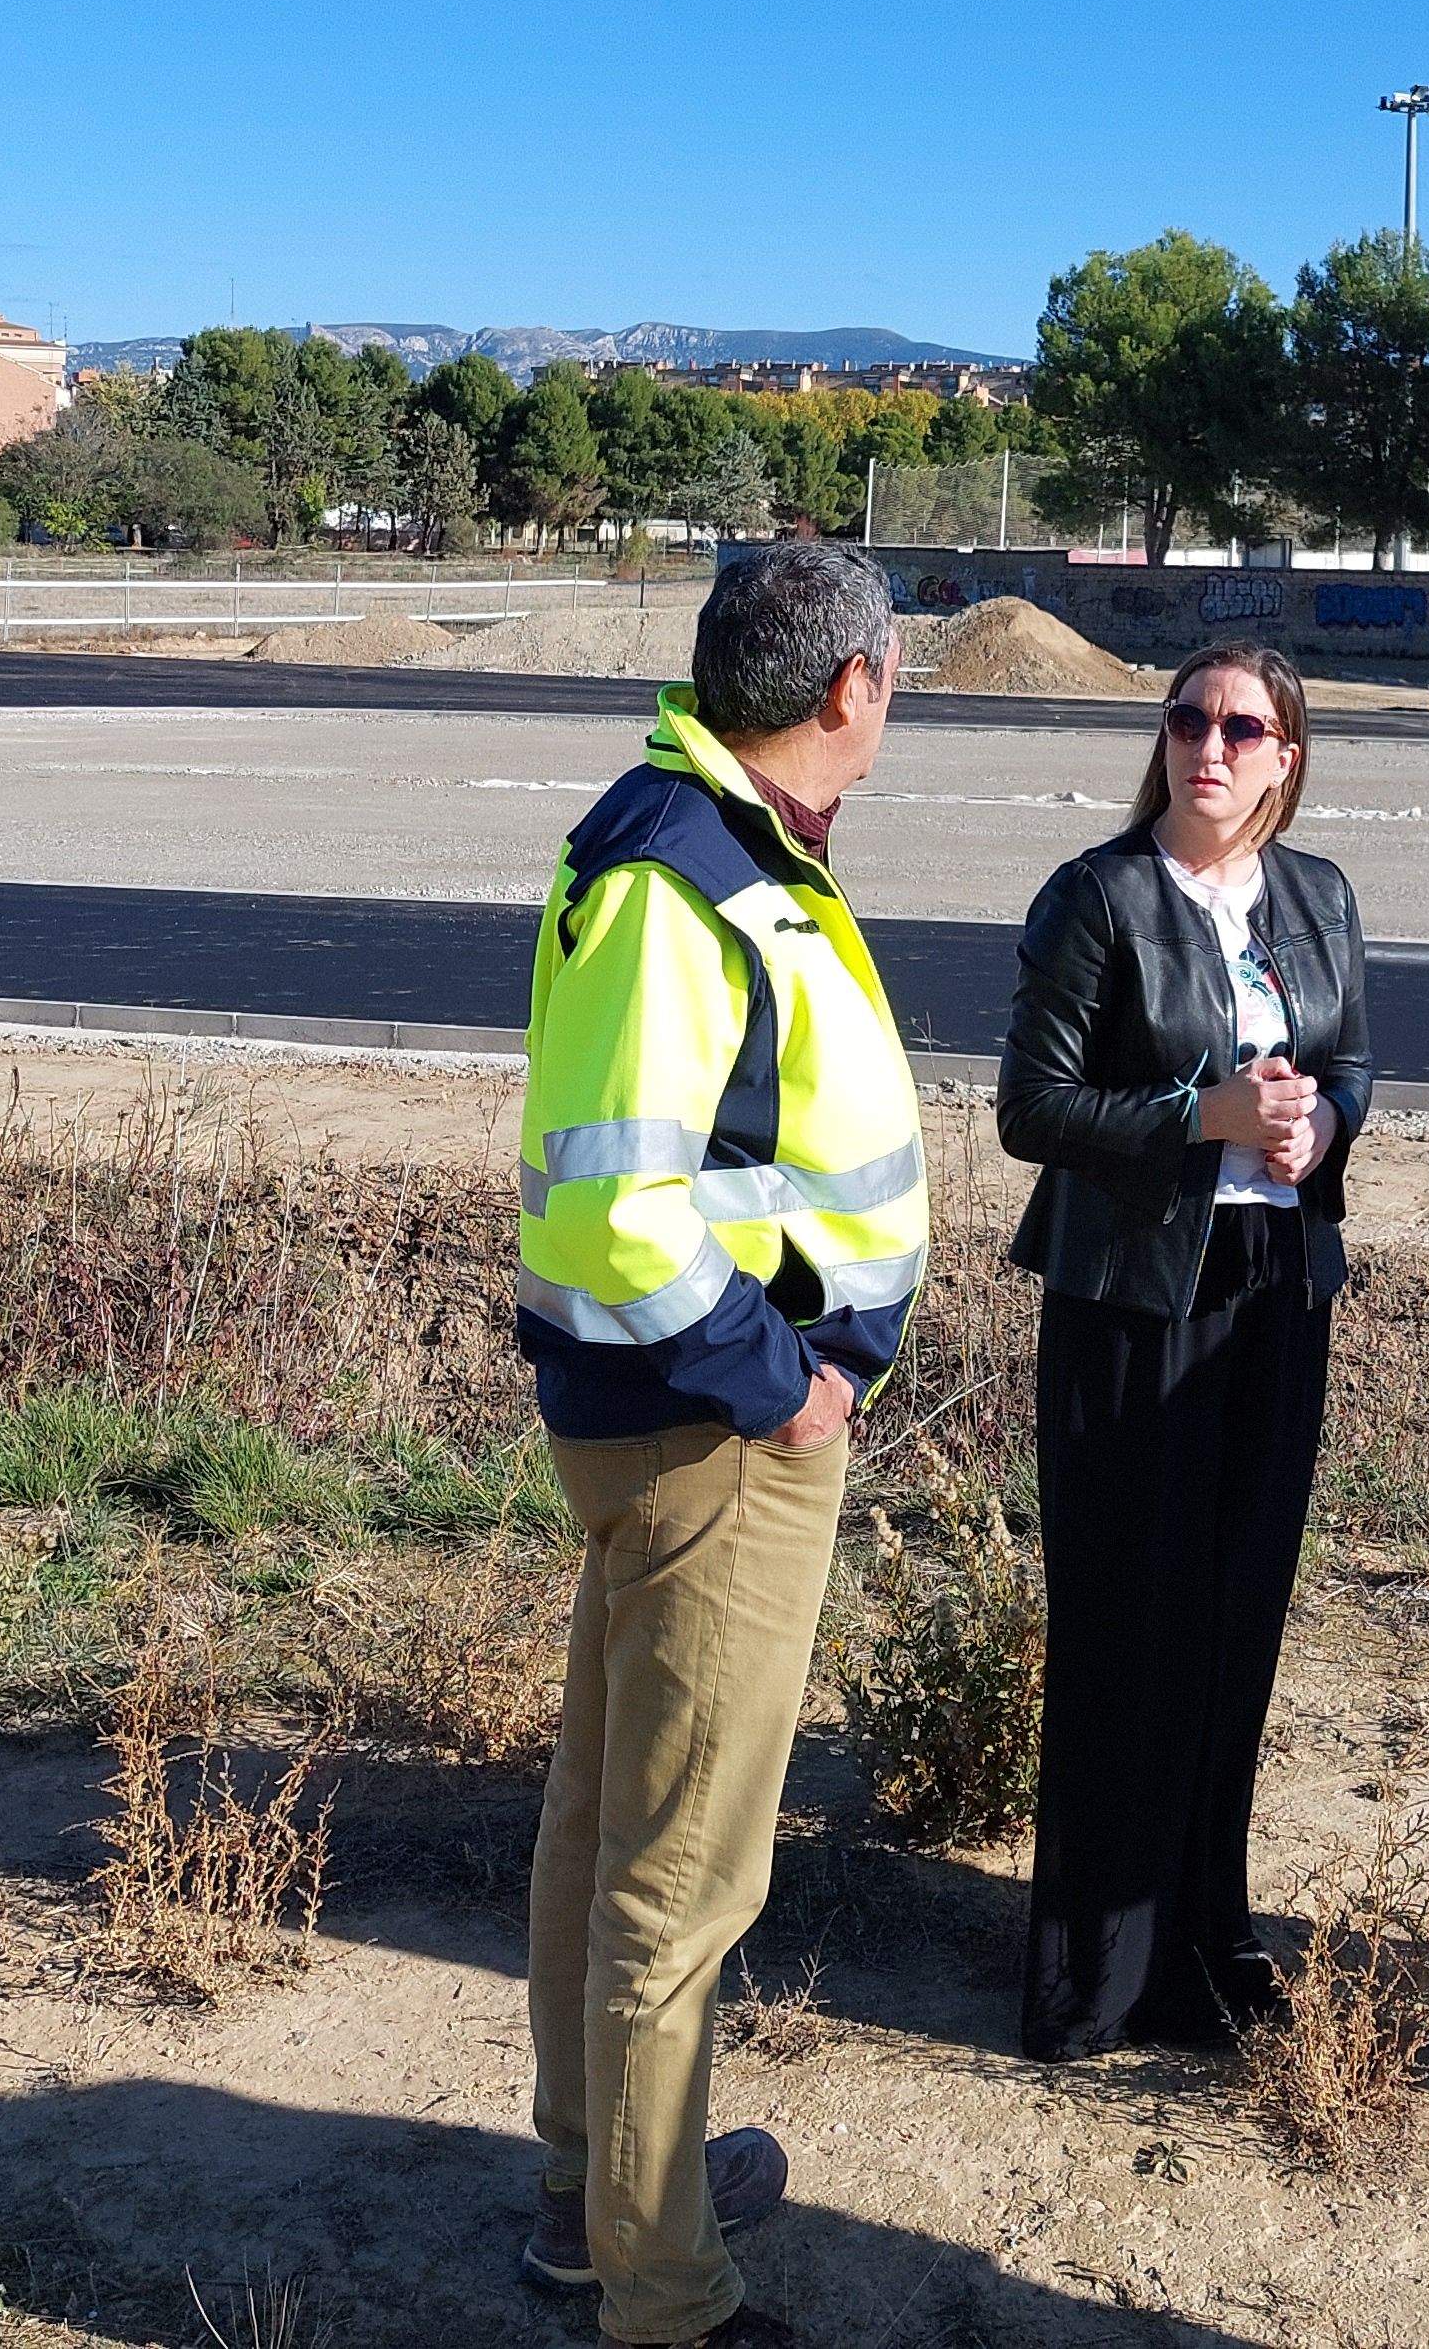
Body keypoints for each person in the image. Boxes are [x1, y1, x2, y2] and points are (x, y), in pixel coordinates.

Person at [510, 540, 929, 2349]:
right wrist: (787, 1379)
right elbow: (623, 1206)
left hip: (665, 1425)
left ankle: (591, 2198)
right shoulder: (693, 876)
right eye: (892, 671)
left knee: (608, 1827)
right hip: (714, 1435)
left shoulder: (706, 838)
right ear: (850, 689)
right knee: (681, 1877)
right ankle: (662, 2293)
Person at [997, 640, 1376, 2059]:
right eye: (1187, 719)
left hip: (1274, 1287)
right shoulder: (1096, 896)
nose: (1208, 745)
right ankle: (1097, 1975)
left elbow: (1346, 1065)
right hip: (1128, 1298)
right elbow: (1031, 1110)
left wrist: (1321, 1124)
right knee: (1124, 1625)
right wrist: (1201, 1119)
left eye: (1242, 727)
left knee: (1234, 1623)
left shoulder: (1320, 897)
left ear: (1287, 754)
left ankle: (1209, 1943)